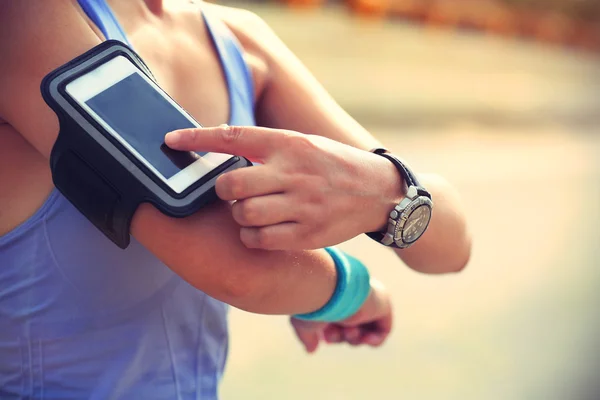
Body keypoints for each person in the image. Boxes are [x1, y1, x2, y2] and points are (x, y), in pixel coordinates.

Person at [0, 0, 470, 398]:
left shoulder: (237, 40)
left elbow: (450, 248)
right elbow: (235, 268)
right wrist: (354, 290)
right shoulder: (27, 18)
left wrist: (387, 189)